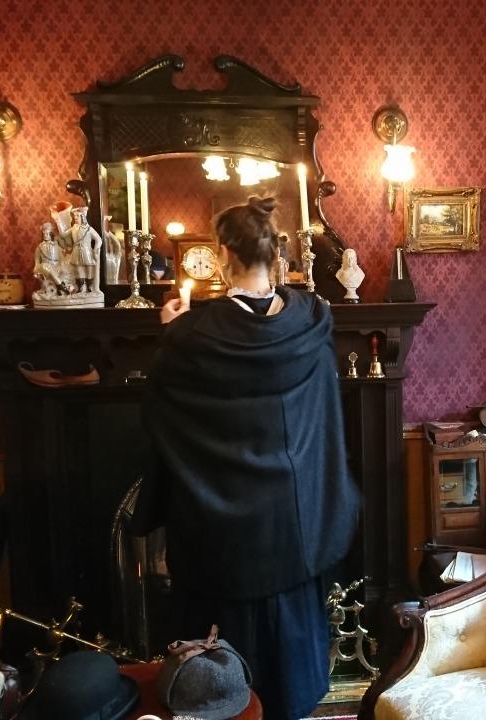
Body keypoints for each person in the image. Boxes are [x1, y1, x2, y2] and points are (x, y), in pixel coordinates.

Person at [131, 196, 359, 720]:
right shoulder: (312, 320)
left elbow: (164, 417)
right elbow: (327, 418)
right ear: (274, 251)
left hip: (223, 535)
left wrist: (169, 338)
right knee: (289, 675)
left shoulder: (192, 335)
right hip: (294, 526)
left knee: (220, 677)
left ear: (223, 254)